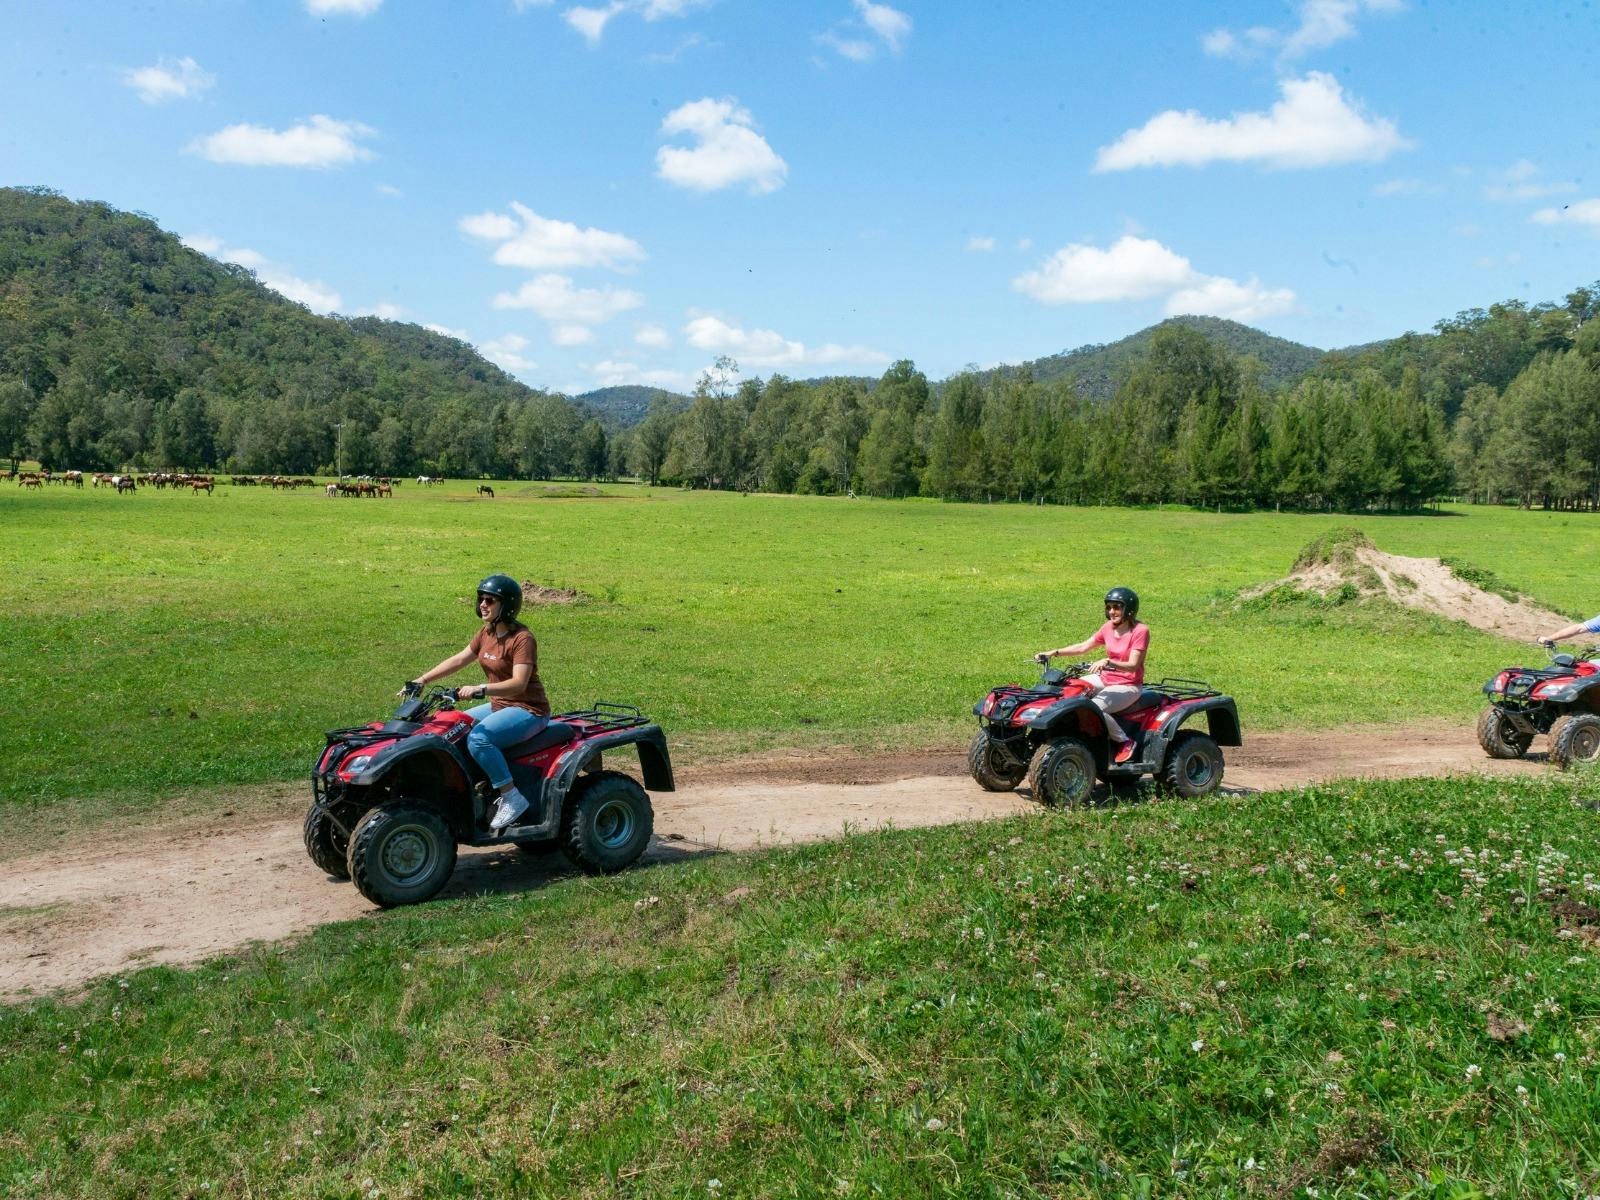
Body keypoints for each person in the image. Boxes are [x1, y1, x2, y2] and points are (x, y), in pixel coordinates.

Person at [405, 574, 552, 831]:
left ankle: (510, 796)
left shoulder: (522, 639)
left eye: (490, 600)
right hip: (499, 705)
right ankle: (474, 789)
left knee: (479, 739)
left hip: (528, 710)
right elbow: (460, 659)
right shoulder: (487, 632)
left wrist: (480, 689)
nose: (483, 604)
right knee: (452, 727)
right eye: (481, 599)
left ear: (506, 605)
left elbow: (519, 683)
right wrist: (422, 680)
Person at [1034, 586, 1149, 764]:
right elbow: (1083, 647)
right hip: (1105, 679)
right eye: (1109, 607)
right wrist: (1052, 652)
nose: (1112, 612)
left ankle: (1124, 741)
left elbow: (1133, 666)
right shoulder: (1108, 628)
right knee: (1069, 689)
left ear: (1129, 609)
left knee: (1094, 707)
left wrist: (1108, 662)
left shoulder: (1140, 631)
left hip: (1128, 685)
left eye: (1117, 607)